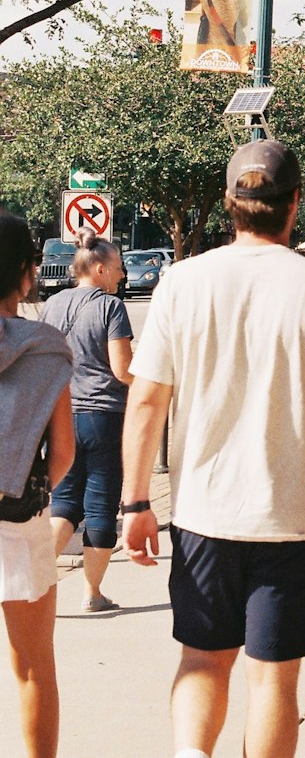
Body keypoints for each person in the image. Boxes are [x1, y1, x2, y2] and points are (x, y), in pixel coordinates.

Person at [121, 140, 305, 758]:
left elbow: (148, 400)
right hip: (297, 520)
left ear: (232, 203)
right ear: (295, 203)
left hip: (205, 517)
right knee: (273, 676)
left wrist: (134, 501)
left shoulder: (181, 283)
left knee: (202, 660)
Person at [0, 211, 74, 758]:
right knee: (32, 667)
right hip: (17, 523)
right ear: (28, 272)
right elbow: (65, 453)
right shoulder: (47, 348)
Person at [40, 231, 133, 613]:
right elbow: (122, 369)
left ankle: (26, 579)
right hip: (103, 417)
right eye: (116, 267)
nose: (122, 275)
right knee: (100, 505)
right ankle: (92, 593)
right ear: (98, 268)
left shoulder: (52, 305)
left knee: (62, 504)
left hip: (60, 413)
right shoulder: (111, 307)